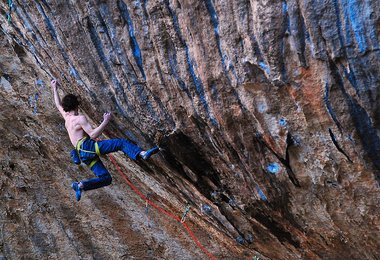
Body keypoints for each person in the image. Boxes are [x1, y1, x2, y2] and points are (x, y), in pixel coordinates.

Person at [51, 80, 159, 201]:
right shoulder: (79, 119)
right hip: (88, 148)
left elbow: (58, 104)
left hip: (83, 155)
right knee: (121, 143)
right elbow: (92, 134)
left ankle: (81, 185)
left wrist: (54, 88)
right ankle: (142, 154)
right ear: (77, 105)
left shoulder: (67, 117)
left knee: (106, 178)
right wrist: (105, 121)